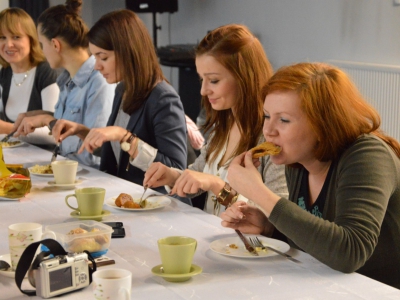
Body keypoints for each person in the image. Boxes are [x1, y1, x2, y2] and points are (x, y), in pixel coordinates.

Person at [220, 62, 400, 289]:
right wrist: (269, 227)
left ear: (322, 123)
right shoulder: (297, 161)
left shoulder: (367, 156)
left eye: (283, 119)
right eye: (267, 116)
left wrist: (260, 194)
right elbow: (317, 243)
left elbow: (349, 253)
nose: (268, 130)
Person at [143, 24, 288, 215]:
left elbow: (275, 217)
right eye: (201, 79)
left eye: (213, 81)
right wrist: (172, 176)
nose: (203, 91)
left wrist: (217, 185)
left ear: (244, 77)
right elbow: (200, 175)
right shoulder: (224, 125)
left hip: (247, 245)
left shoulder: (271, 136)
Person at [51, 9, 187, 196]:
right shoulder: (122, 89)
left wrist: (125, 137)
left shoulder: (163, 98)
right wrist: (83, 132)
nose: (97, 66)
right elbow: (117, 156)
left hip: (155, 205)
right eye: (95, 57)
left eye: (103, 57)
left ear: (127, 52)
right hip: (123, 197)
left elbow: (177, 170)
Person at [13, 0, 114, 168]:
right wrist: (41, 117)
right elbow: (65, 131)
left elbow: (95, 152)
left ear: (55, 45)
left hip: (91, 179)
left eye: (42, 44)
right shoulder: (67, 81)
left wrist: (47, 119)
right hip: (69, 171)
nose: (43, 51)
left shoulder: (100, 81)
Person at [0, 7, 59, 145]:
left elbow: (55, 134)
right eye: (2, 37)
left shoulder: (46, 71)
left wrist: (7, 128)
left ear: (31, 39)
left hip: (45, 161)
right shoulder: (5, 73)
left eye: (16, 37)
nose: (8, 44)